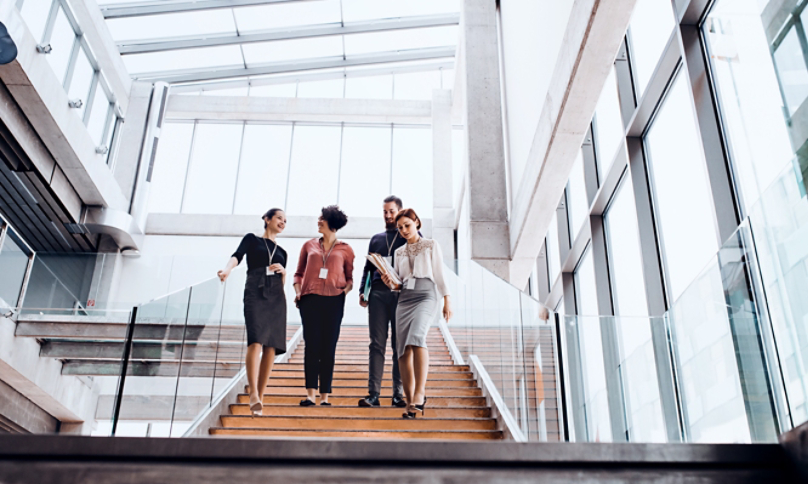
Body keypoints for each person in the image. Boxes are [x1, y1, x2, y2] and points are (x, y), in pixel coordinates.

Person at [381, 208, 452, 419]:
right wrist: (390, 284)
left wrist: (447, 299)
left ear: (417, 223)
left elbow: (439, 273)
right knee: (402, 349)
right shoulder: (398, 252)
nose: (404, 230)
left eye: (407, 225)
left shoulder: (431, 245)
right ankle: (410, 401)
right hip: (404, 299)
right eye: (400, 227)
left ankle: (420, 393)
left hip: (426, 295)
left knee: (417, 338)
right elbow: (399, 281)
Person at [218, 208, 288, 416]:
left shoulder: (283, 252)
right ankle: (253, 394)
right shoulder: (252, 239)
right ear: (267, 219)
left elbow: (282, 282)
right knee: (256, 340)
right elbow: (236, 256)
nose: (283, 222)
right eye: (279, 218)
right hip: (255, 289)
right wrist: (227, 270)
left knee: (271, 347)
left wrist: (284, 272)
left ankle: (261, 397)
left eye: (285, 220)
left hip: (276, 296)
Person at [293, 205, 355, 406]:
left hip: (334, 301)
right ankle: (310, 394)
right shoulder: (308, 245)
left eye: (322, 219)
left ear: (332, 222)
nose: (318, 221)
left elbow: (350, 279)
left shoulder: (346, 249)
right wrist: (298, 292)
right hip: (310, 300)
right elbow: (298, 273)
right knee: (312, 346)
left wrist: (341, 293)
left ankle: (325, 396)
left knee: (329, 347)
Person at [358, 196, 409, 408]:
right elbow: (367, 269)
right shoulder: (376, 239)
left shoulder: (408, 235)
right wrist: (363, 291)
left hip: (400, 294)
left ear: (400, 211)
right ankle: (374, 394)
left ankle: (398, 394)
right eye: (385, 211)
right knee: (376, 344)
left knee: (400, 346)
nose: (387, 215)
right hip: (378, 294)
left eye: (391, 211)